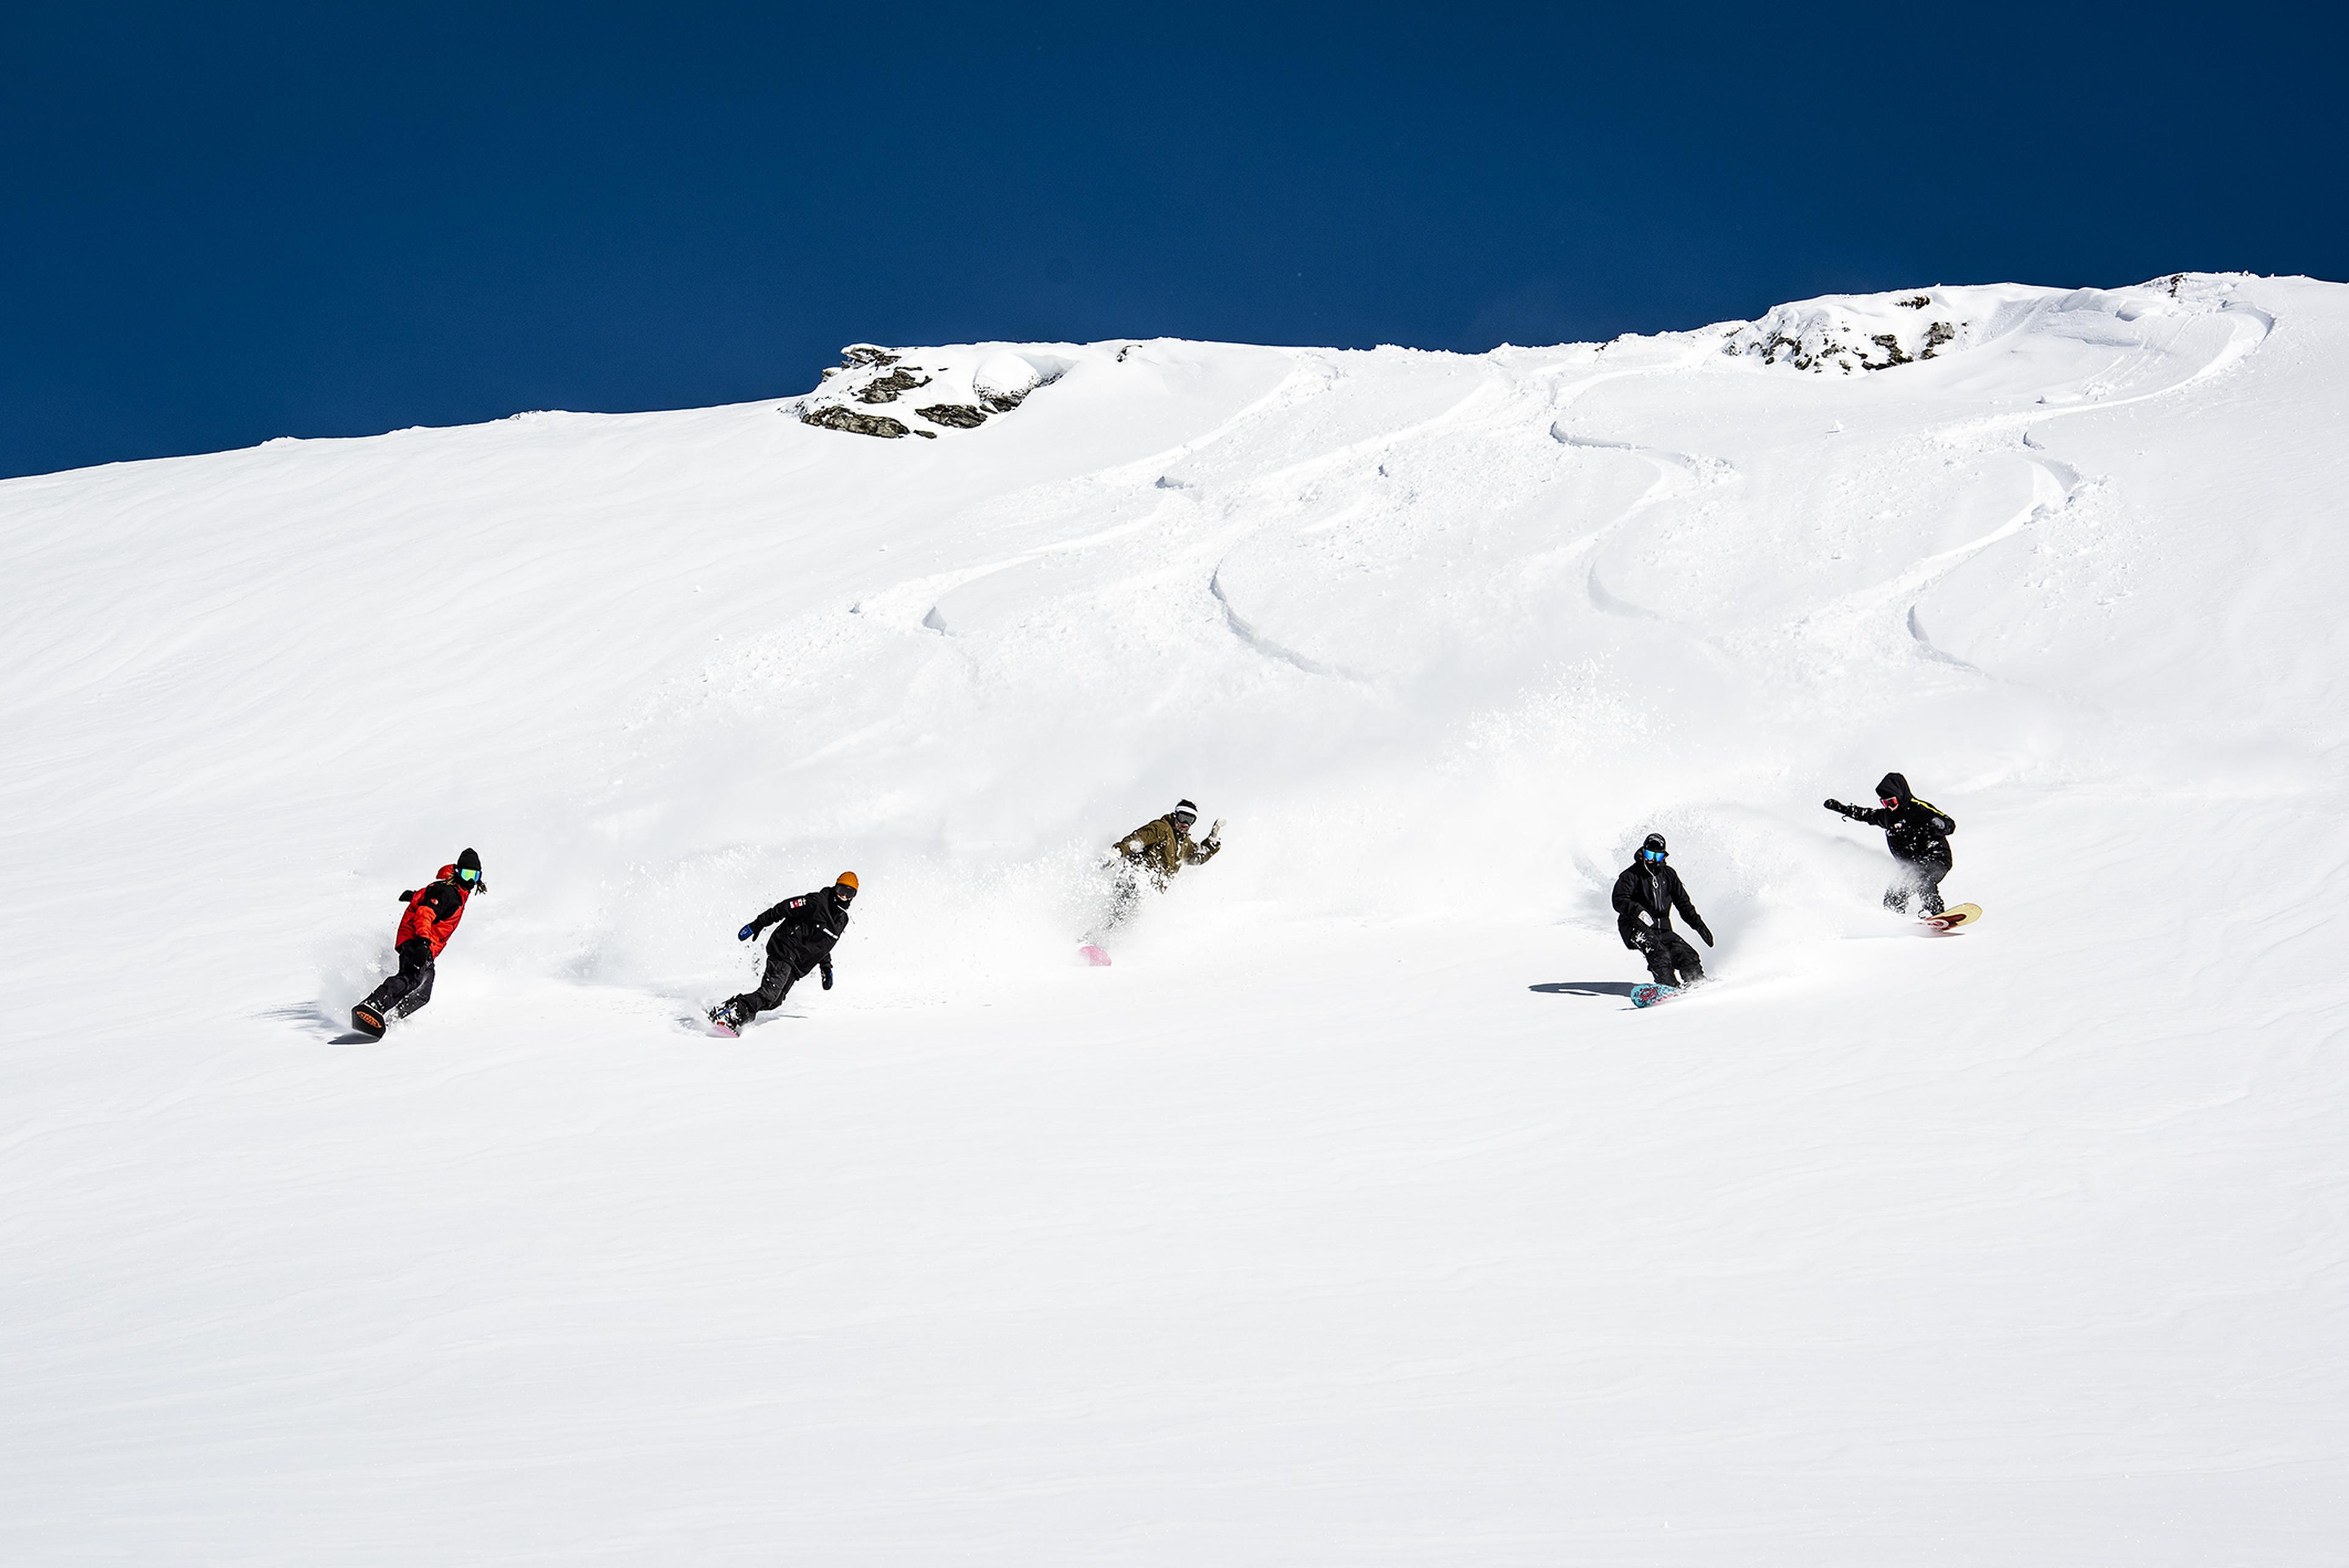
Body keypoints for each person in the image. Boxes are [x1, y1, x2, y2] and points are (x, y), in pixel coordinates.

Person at [354, 848, 486, 1036]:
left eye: (475, 876)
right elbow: (425, 913)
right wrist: (423, 942)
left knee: (423, 994)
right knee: (410, 978)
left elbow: (429, 897)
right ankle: (373, 1005)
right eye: (467, 874)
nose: (470, 881)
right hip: (417, 939)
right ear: (458, 872)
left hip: (427, 945)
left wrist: (413, 896)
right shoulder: (449, 892)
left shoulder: (454, 893)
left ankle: (391, 1019)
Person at [711, 872, 858, 1030]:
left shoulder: (842, 920)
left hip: (798, 965)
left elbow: (823, 945)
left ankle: (728, 1010)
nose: (844, 895)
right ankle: (733, 1014)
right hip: (785, 948)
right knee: (770, 994)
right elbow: (784, 908)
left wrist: (826, 968)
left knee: (775, 1001)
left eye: (849, 893)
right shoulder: (816, 902)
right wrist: (757, 924)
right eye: (842, 889)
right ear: (836, 886)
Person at [1824, 772, 1956, 915]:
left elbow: (1950, 824)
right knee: (1893, 897)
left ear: (1900, 796)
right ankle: (1897, 919)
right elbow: (1866, 814)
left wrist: (1942, 825)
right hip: (1912, 865)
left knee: (1920, 877)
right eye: (1885, 803)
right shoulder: (1888, 816)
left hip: (1936, 857)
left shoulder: (1919, 809)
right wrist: (1842, 808)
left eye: (1891, 802)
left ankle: (1935, 911)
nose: (1889, 807)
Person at [1611, 833, 1713, 989]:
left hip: (1661, 928)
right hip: (1633, 926)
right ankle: (1668, 987)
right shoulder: (1631, 875)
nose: (1652, 860)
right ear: (1643, 852)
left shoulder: (1669, 875)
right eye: (1649, 854)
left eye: (1657, 856)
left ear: (1663, 856)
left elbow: (1684, 904)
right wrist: (1639, 911)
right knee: (1659, 953)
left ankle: (1697, 983)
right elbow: (1619, 900)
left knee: (1687, 955)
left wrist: (1698, 925)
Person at [1105, 798, 1220, 929]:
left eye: (1190, 820)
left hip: (1151, 891)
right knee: (1121, 918)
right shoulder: (1161, 828)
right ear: (1176, 815)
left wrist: (1212, 841)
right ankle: (1099, 937)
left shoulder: (1184, 843)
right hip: (1137, 879)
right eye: (1182, 818)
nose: (1185, 824)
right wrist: (1118, 851)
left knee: (1127, 924)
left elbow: (1197, 857)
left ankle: (1102, 938)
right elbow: (1138, 839)